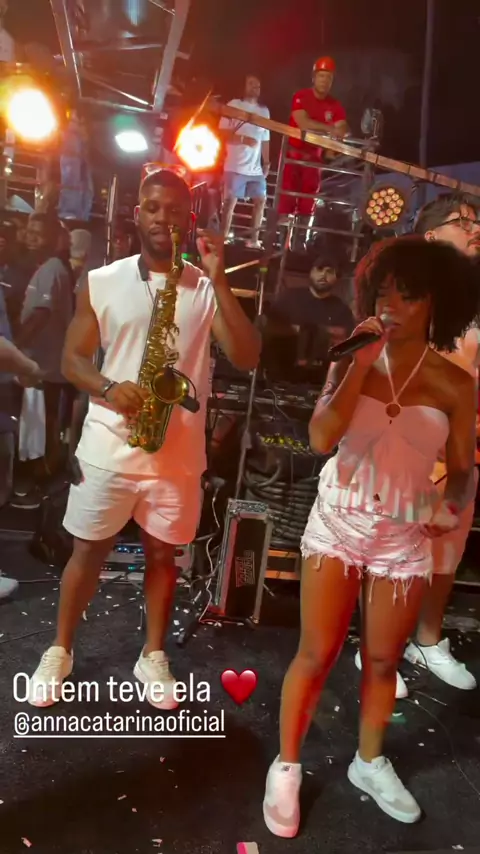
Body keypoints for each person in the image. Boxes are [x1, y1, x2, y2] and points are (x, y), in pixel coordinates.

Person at [263, 236, 479, 835]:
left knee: (383, 660)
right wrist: (359, 364)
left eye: (408, 295)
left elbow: (463, 471)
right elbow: (319, 438)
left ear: (435, 303)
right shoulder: (351, 359)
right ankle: (286, 766)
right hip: (339, 521)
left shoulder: (455, 384)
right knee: (317, 652)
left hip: (403, 534)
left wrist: (449, 505)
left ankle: (369, 761)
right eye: (383, 293)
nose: (392, 306)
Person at [27, 168, 261, 708]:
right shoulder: (103, 280)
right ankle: (60, 649)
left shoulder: (204, 287)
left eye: (174, 210)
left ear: (189, 218)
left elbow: (247, 356)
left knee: (163, 559)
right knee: (87, 552)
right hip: (109, 444)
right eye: (153, 208)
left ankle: (152, 655)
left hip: (176, 456)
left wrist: (219, 278)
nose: (163, 218)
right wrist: (110, 387)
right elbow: (72, 360)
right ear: (137, 214)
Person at [355, 194, 480, 697]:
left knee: (447, 550)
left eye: (477, 221)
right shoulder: (411, 297)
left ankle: (427, 640)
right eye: (463, 222)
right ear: (431, 235)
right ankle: (376, 647)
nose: (475, 229)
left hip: (464, 448)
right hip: (409, 442)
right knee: (393, 547)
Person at [278, 57, 348, 244]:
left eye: (328, 77)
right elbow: (303, 122)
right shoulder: (301, 96)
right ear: (314, 77)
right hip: (293, 155)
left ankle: (300, 242)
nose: (325, 81)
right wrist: (329, 129)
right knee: (287, 198)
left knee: (308, 200)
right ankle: (283, 241)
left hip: (314, 158)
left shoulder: (335, 105)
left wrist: (338, 131)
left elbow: (342, 127)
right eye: (321, 76)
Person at [262, 255, 354, 383]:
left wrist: (321, 332)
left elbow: (346, 341)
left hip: (319, 380)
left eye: (330, 272)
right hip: (279, 374)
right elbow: (268, 327)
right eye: (319, 269)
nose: (323, 275)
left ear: (336, 278)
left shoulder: (342, 309)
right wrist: (297, 330)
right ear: (311, 272)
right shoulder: (289, 297)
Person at [219, 74, 271, 248]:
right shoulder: (233, 105)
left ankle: (254, 240)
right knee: (229, 203)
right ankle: (222, 239)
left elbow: (265, 139)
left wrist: (266, 162)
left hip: (255, 168)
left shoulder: (264, 111)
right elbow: (222, 134)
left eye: (258, 84)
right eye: (251, 83)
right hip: (234, 165)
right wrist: (243, 140)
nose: (255, 87)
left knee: (261, 200)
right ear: (243, 86)